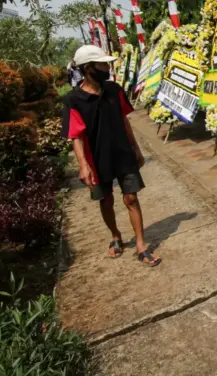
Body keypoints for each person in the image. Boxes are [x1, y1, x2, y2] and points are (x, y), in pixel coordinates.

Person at [62, 45, 160, 267]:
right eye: (103, 64)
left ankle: (141, 246)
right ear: (88, 68)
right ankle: (116, 235)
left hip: (122, 152)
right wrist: (83, 165)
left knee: (131, 198)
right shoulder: (73, 100)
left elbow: (124, 120)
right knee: (106, 200)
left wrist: (136, 148)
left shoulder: (114, 90)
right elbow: (75, 135)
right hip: (96, 160)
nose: (107, 68)